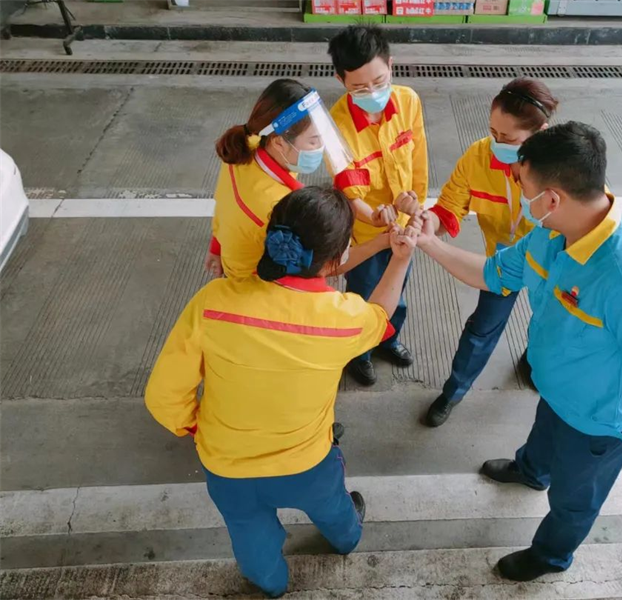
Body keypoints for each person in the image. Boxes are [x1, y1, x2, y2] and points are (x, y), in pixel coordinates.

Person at [411, 122, 622, 582]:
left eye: (522, 186)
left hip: (600, 420)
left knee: (574, 500)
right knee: (543, 439)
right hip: (556, 389)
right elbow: (492, 274)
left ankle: (550, 555)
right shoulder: (550, 232)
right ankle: (530, 470)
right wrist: (429, 243)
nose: (519, 194)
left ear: (553, 198)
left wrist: (598, 379)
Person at [146, 186, 418, 599]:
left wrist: (198, 428)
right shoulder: (343, 319)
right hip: (306, 463)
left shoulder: (213, 302)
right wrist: (399, 258)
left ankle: (270, 583)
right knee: (334, 508)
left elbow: (163, 396)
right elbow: (381, 316)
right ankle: (347, 539)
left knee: (249, 535)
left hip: (227, 466)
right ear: (335, 260)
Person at [422, 78, 559, 428]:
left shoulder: (563, 168)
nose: (496, 144)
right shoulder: (479, 156)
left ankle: (533, 361)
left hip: (552, 264)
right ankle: (453, 391)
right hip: (502, 261)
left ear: (540, 133)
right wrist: (428, 222)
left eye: (508, 139)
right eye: (493, 133)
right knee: (481, 329)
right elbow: (450, 205)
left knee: (550, 323)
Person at [204, 78, 390, 281]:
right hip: (259, 287)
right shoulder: (279, 208)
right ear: (279, 143)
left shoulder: (245, 147)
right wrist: (381, 242)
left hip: (234, 263)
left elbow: (224, 204)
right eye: (313, 141)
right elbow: (322, 267)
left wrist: (216, 247)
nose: (321, 146)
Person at [327, 25, 429, 386]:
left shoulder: (408, 101)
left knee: (397, 289)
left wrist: (416, 206)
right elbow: (349, 191)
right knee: (363, 294)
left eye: (379, 81)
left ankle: (389, 339)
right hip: (365, 234)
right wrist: (373, 217)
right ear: (341, 80)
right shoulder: (335, 127)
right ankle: (360, 353)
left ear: (391, 65)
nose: (372, 93)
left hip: (404, 225)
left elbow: (418, 161)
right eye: (359, 87)